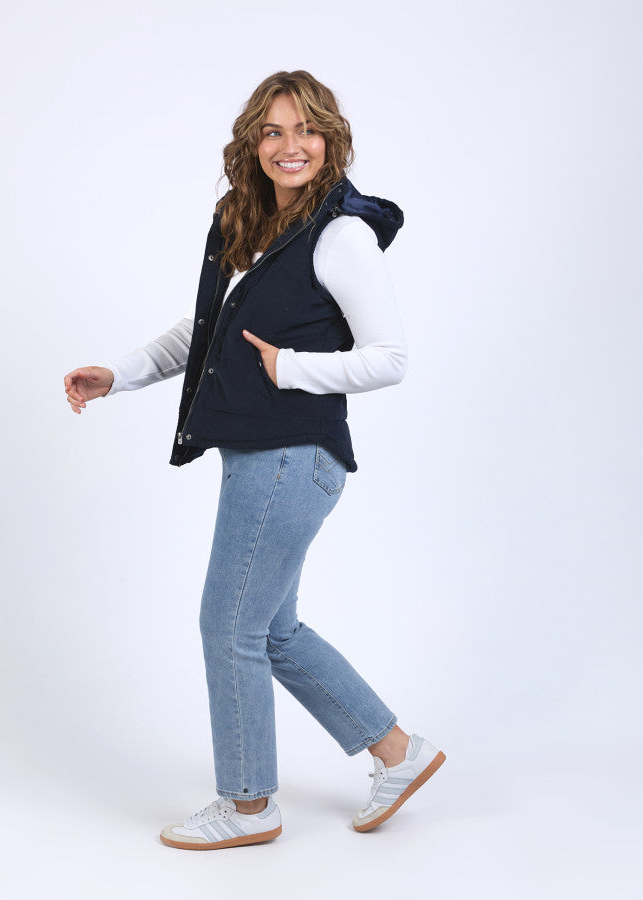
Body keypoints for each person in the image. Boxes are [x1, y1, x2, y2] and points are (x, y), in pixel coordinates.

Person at [64, 70, 445, 850]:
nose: (289, 146)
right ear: (254, 143)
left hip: (290, 457)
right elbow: (205, 328)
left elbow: (391, 358)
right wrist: (119, 374)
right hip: (260, 458)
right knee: (271, 631)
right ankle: (398, 753)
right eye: (273, 131)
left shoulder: (341, 234)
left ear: (330, 139)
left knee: (228, 626)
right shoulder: (246, 224)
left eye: (305, 130)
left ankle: (248, 806)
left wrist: (290, 367)